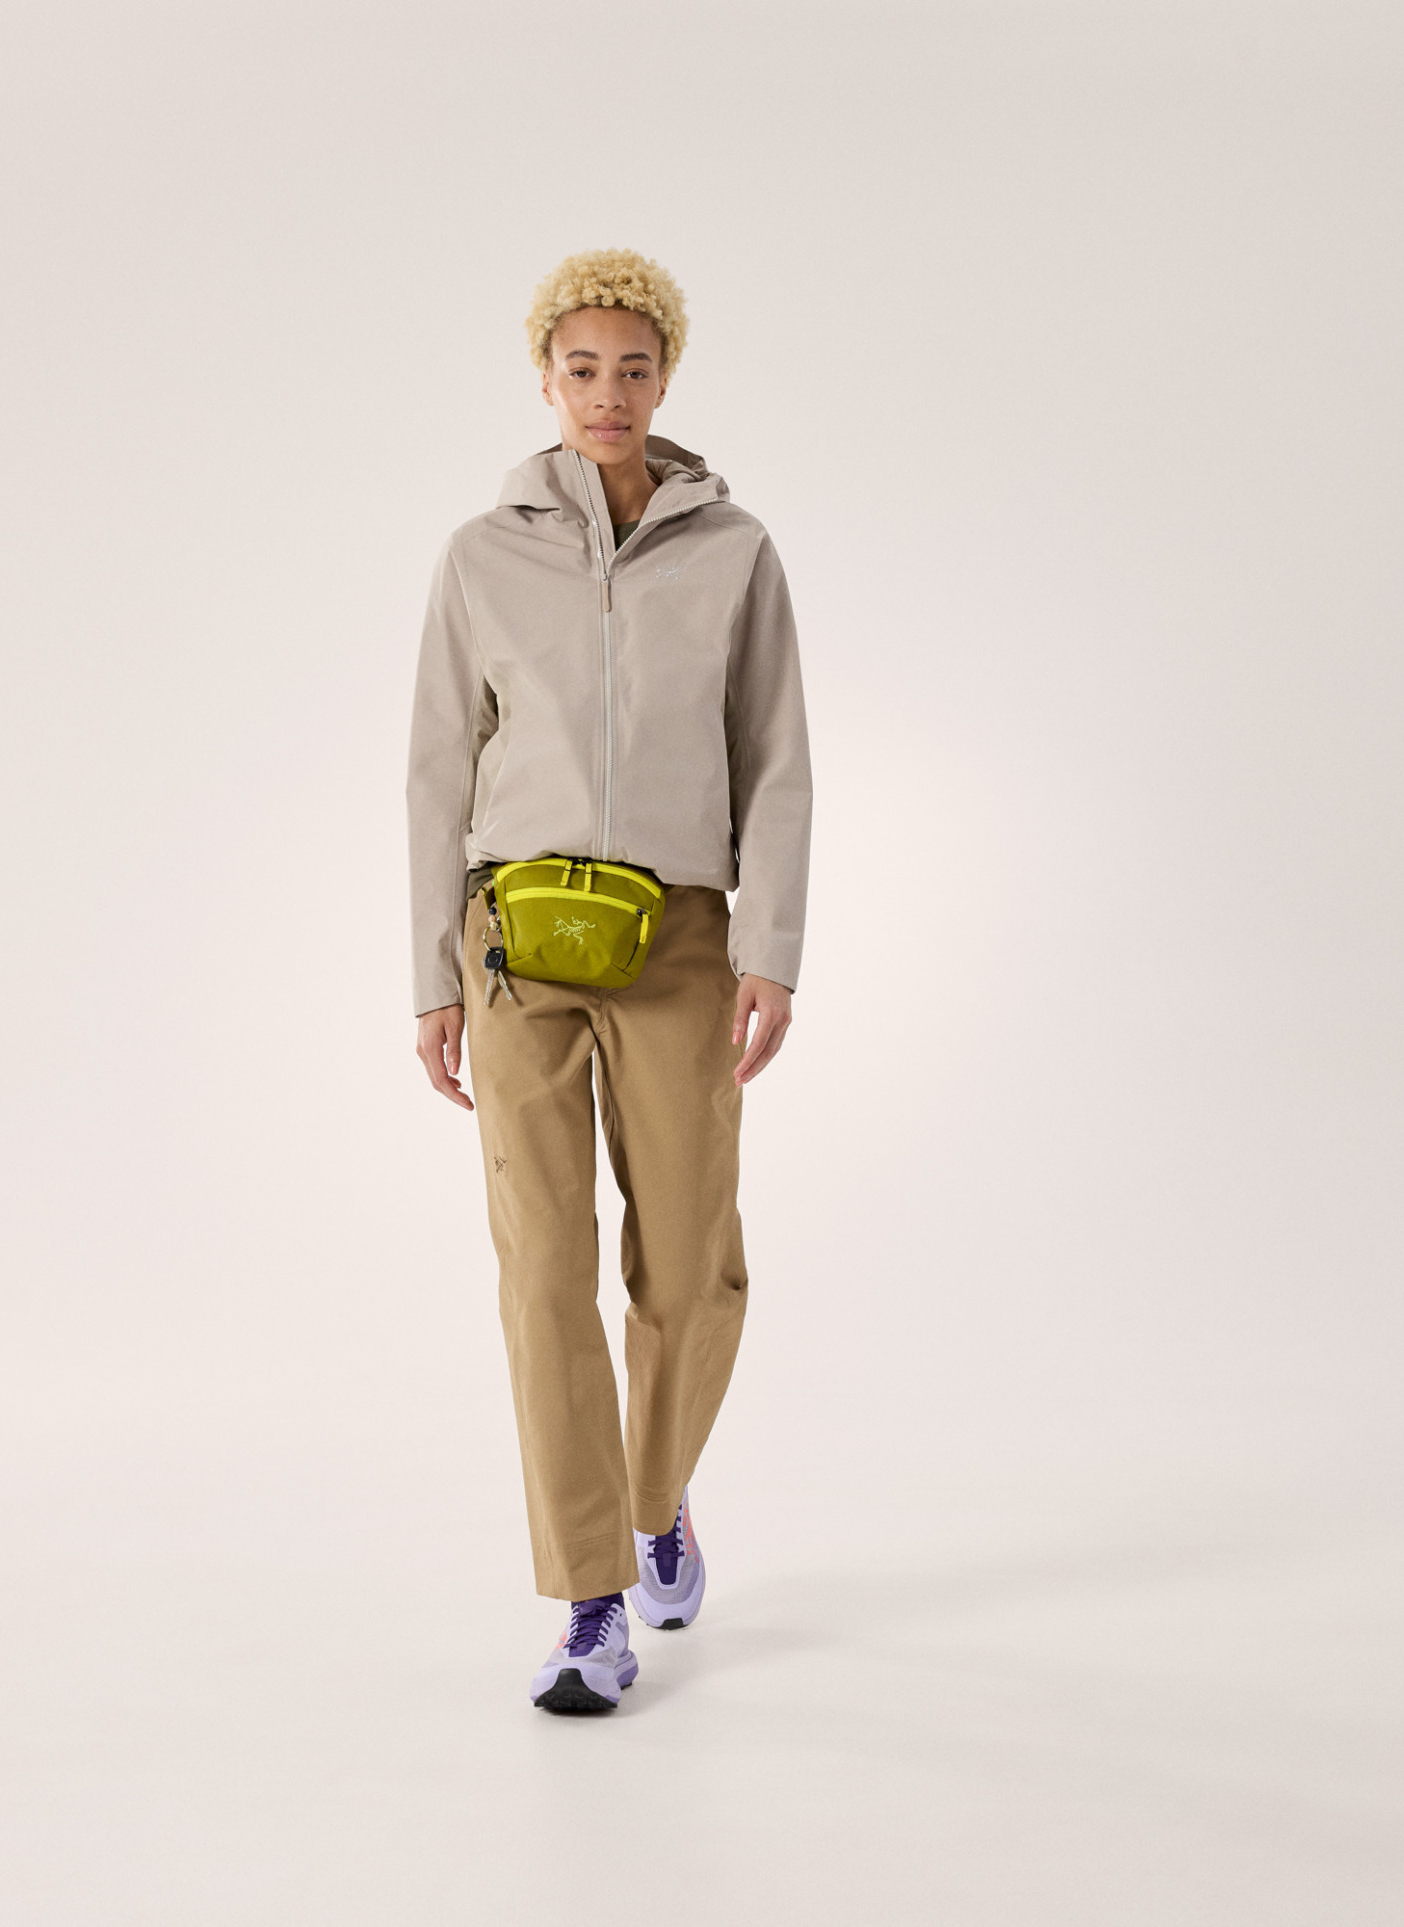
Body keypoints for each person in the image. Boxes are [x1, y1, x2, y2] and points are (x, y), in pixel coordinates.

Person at [405, 247, 813, 1712]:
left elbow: (776, 758)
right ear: (545, 378)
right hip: (514, 946)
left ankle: (653, 1498)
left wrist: (770, 948)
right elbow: (436, 770)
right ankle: (590, 1602)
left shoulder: (734, 550)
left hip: (681, 936)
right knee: (542, 1272)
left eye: (633, 368)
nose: (607, 393)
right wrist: (429, 976)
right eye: (581, 368)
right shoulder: (481, 555)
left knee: (691, 1265)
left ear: (666, 377)